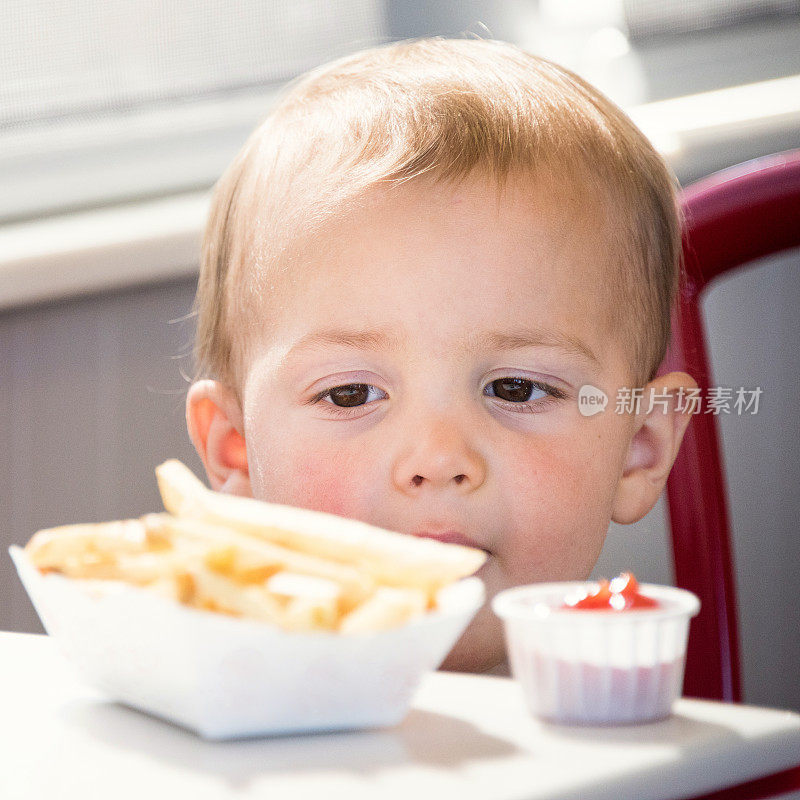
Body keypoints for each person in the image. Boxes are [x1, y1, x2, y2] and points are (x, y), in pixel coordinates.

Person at [183, 36, 698, 675]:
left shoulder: (649, 755)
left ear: (638, 447)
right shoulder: (204, 732)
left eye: (515, 389)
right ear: (236, 448)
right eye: (349, 394)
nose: (438, 459)